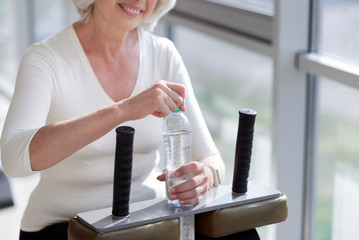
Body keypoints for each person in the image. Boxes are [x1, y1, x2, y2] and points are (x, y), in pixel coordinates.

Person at [0, 0, 259, 239]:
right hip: (64, 224)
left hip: (143, 217)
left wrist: (206, 176)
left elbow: (210, 159)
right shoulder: (46, 59)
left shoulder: (163, 53)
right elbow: (13, 159)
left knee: (242, 234)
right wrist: (123, 110)